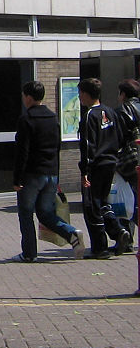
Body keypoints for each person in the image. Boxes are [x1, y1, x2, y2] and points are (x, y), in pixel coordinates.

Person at [12, 81, 83, 261]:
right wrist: (56, 174)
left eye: (23, 96)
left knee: (26, 213)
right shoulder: (53, 118)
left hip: (32, 174)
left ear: (28, 97)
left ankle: (29, 254)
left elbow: (23, 152)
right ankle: (71, 233)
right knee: (45, 213)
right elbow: (57, 147)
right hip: (51, 172)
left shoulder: (26, 119)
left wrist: (17, 178)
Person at [77, 78, 132, 258]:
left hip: (96, 165)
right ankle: (119, 232)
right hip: (111, 163)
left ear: (85, 94)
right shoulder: (110, 112)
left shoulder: (89, 116)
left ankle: (100, 247)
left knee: (92, 206)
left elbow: (87, 145)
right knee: (103, 203)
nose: (79, 97)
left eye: (80, 94)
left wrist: (85, 170)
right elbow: (120, 136)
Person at [114, 79, 140, 244]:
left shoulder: (122, 110)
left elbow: (118, 138)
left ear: (123, 94)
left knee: (127, 198)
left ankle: (127, 239)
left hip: (129, 160)